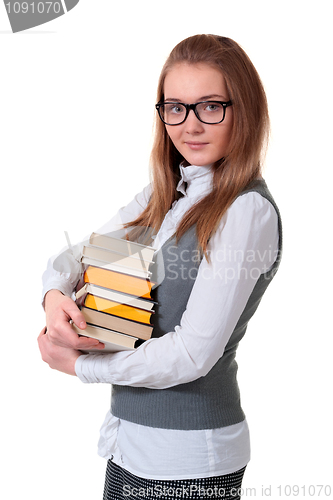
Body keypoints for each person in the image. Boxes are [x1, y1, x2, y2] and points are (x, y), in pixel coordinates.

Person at [38, 34, 282, 500]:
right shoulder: (165, 193)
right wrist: (53, 296)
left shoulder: (246, 211)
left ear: (244, 111)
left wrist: (83, 367)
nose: (189, 126)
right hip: (129, 443)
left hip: (188, 459)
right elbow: (79, 256)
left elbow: (192, 354)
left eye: (211, 106)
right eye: (175, 107)